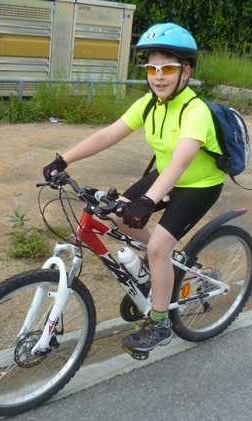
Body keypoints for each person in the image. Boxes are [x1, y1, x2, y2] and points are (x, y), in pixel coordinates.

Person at [42, 22, 224, 356]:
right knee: (111, 214)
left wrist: (149, 200)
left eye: (167, 68)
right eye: (152, 68)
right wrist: (64, 160)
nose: (158, 76)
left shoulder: (195, 111)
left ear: (186, 70)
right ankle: (165, 266)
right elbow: (108, 135)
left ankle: (161, 322)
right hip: (164, 177)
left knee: (156, 247)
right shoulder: (149, 104)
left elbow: (180, 163)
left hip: (198, 184)